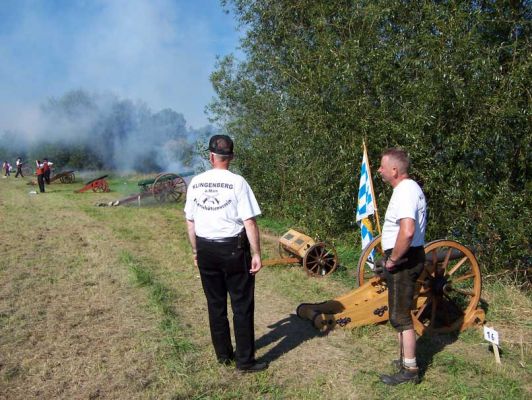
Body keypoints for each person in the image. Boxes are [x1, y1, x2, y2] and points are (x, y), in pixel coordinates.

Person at [184, 134, 267, 373]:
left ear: (211, 156)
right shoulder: (238, 182)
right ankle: (245, 362)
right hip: (233, 249)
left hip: (206, 248)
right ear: (231, 157)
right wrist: (257, 253)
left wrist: (196, 250)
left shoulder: (196, 182)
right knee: (241, 306)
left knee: (215, 304)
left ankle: (223, 355)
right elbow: (249, 222)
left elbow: (190, 222)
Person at [377, 148, 427, 385]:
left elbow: (407, 232)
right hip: (409, 257)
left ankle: (410, 370)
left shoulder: (405, 192)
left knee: (400, 317)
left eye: (382, 166)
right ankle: (404, 359)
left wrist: (393, 260)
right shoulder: (409, 188)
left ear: (394, 170)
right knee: (400, 314)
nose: (379, 170)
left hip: (404, 260)